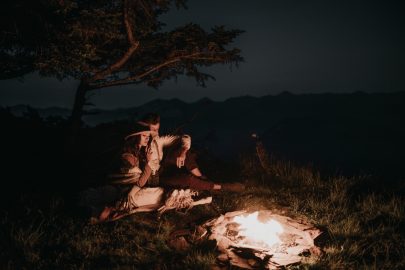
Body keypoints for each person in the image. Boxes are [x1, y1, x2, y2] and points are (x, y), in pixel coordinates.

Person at [139, 113, 245, 192]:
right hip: (154, 179)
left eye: (157, 130)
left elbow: (184, 138)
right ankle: (220, 187)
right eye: (153, 130)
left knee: (184, 151)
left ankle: (202, 179)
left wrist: (183, 152)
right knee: (187, 179)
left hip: (163, 169)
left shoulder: (157, 140)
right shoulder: (139, 144)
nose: (155, 134)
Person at [79, 122, 163, 222]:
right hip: (119, 189)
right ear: (135, 137)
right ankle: (89, 208)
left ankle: (103, 210)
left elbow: (144, 180)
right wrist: (148, 165)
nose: (147, 138)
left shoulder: (141, 153)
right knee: (106, 194)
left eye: (148, 136)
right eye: (144, 135)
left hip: (127, 189)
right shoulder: (127, 155)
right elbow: (137, 179)